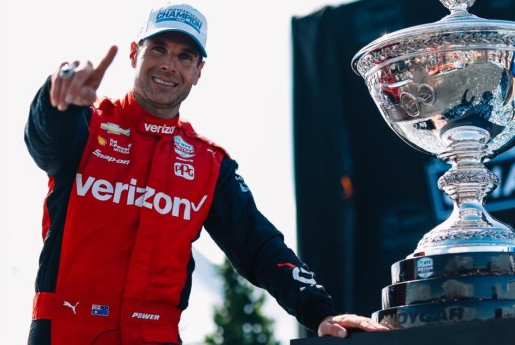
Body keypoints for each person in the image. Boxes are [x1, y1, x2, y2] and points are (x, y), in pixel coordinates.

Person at [24, 2, 388, 344]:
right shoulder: (86, 127)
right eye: (159, 49)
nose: (170, 65)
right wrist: (56, 102)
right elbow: (45, 140)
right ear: (135, 54)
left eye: (185, 56)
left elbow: (260, 247)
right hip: (67, 331)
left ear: (198, 72)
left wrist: (321, 312)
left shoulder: (208, 163)